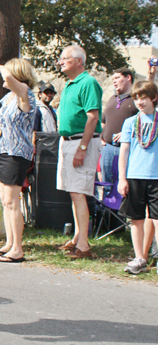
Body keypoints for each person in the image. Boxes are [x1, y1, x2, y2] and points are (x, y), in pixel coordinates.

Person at [0, 59, 38, 263]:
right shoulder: (8, 97)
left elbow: (8, 76)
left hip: (17, 153)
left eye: (6, 75)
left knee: (12, 201)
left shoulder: (25, 94)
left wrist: (2, 68)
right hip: (4, 151)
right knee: (5, 201)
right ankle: (9, 242)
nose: (2, 79)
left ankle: (17, 248)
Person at [55, 44, 102, 259]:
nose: (60, 61)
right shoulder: (69, 84)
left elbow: (93, 117)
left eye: (65, 58)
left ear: (79, 61)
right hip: (67, 142)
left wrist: (82, 148)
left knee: (78, 192)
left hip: (81, 142)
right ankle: (77, 237)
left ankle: (83, 246)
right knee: (74, 192)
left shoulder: (88, 83)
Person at [117, 80, 158, 275]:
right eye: (136, 98)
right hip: (134, 176)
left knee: (157, 219)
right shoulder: (130, 122)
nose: (139, 102)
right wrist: (122, 178)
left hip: (155, 177)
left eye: (143, 98)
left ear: (154, 98)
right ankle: (140, 257)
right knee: (136, 219)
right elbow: (124, 152)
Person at [100, 68, 138, 197]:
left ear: (128, 78)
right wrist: (101, 136)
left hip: (126, 149)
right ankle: (107, 216)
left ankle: (122, 216)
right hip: (108, 149)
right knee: (107, 187)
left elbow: (143, 121)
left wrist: (128, 133)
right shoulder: (112, 98)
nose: (114, 81)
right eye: (113, 79)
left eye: (117, 78)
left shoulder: (137, 99)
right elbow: (103, 121)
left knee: (124, 188)